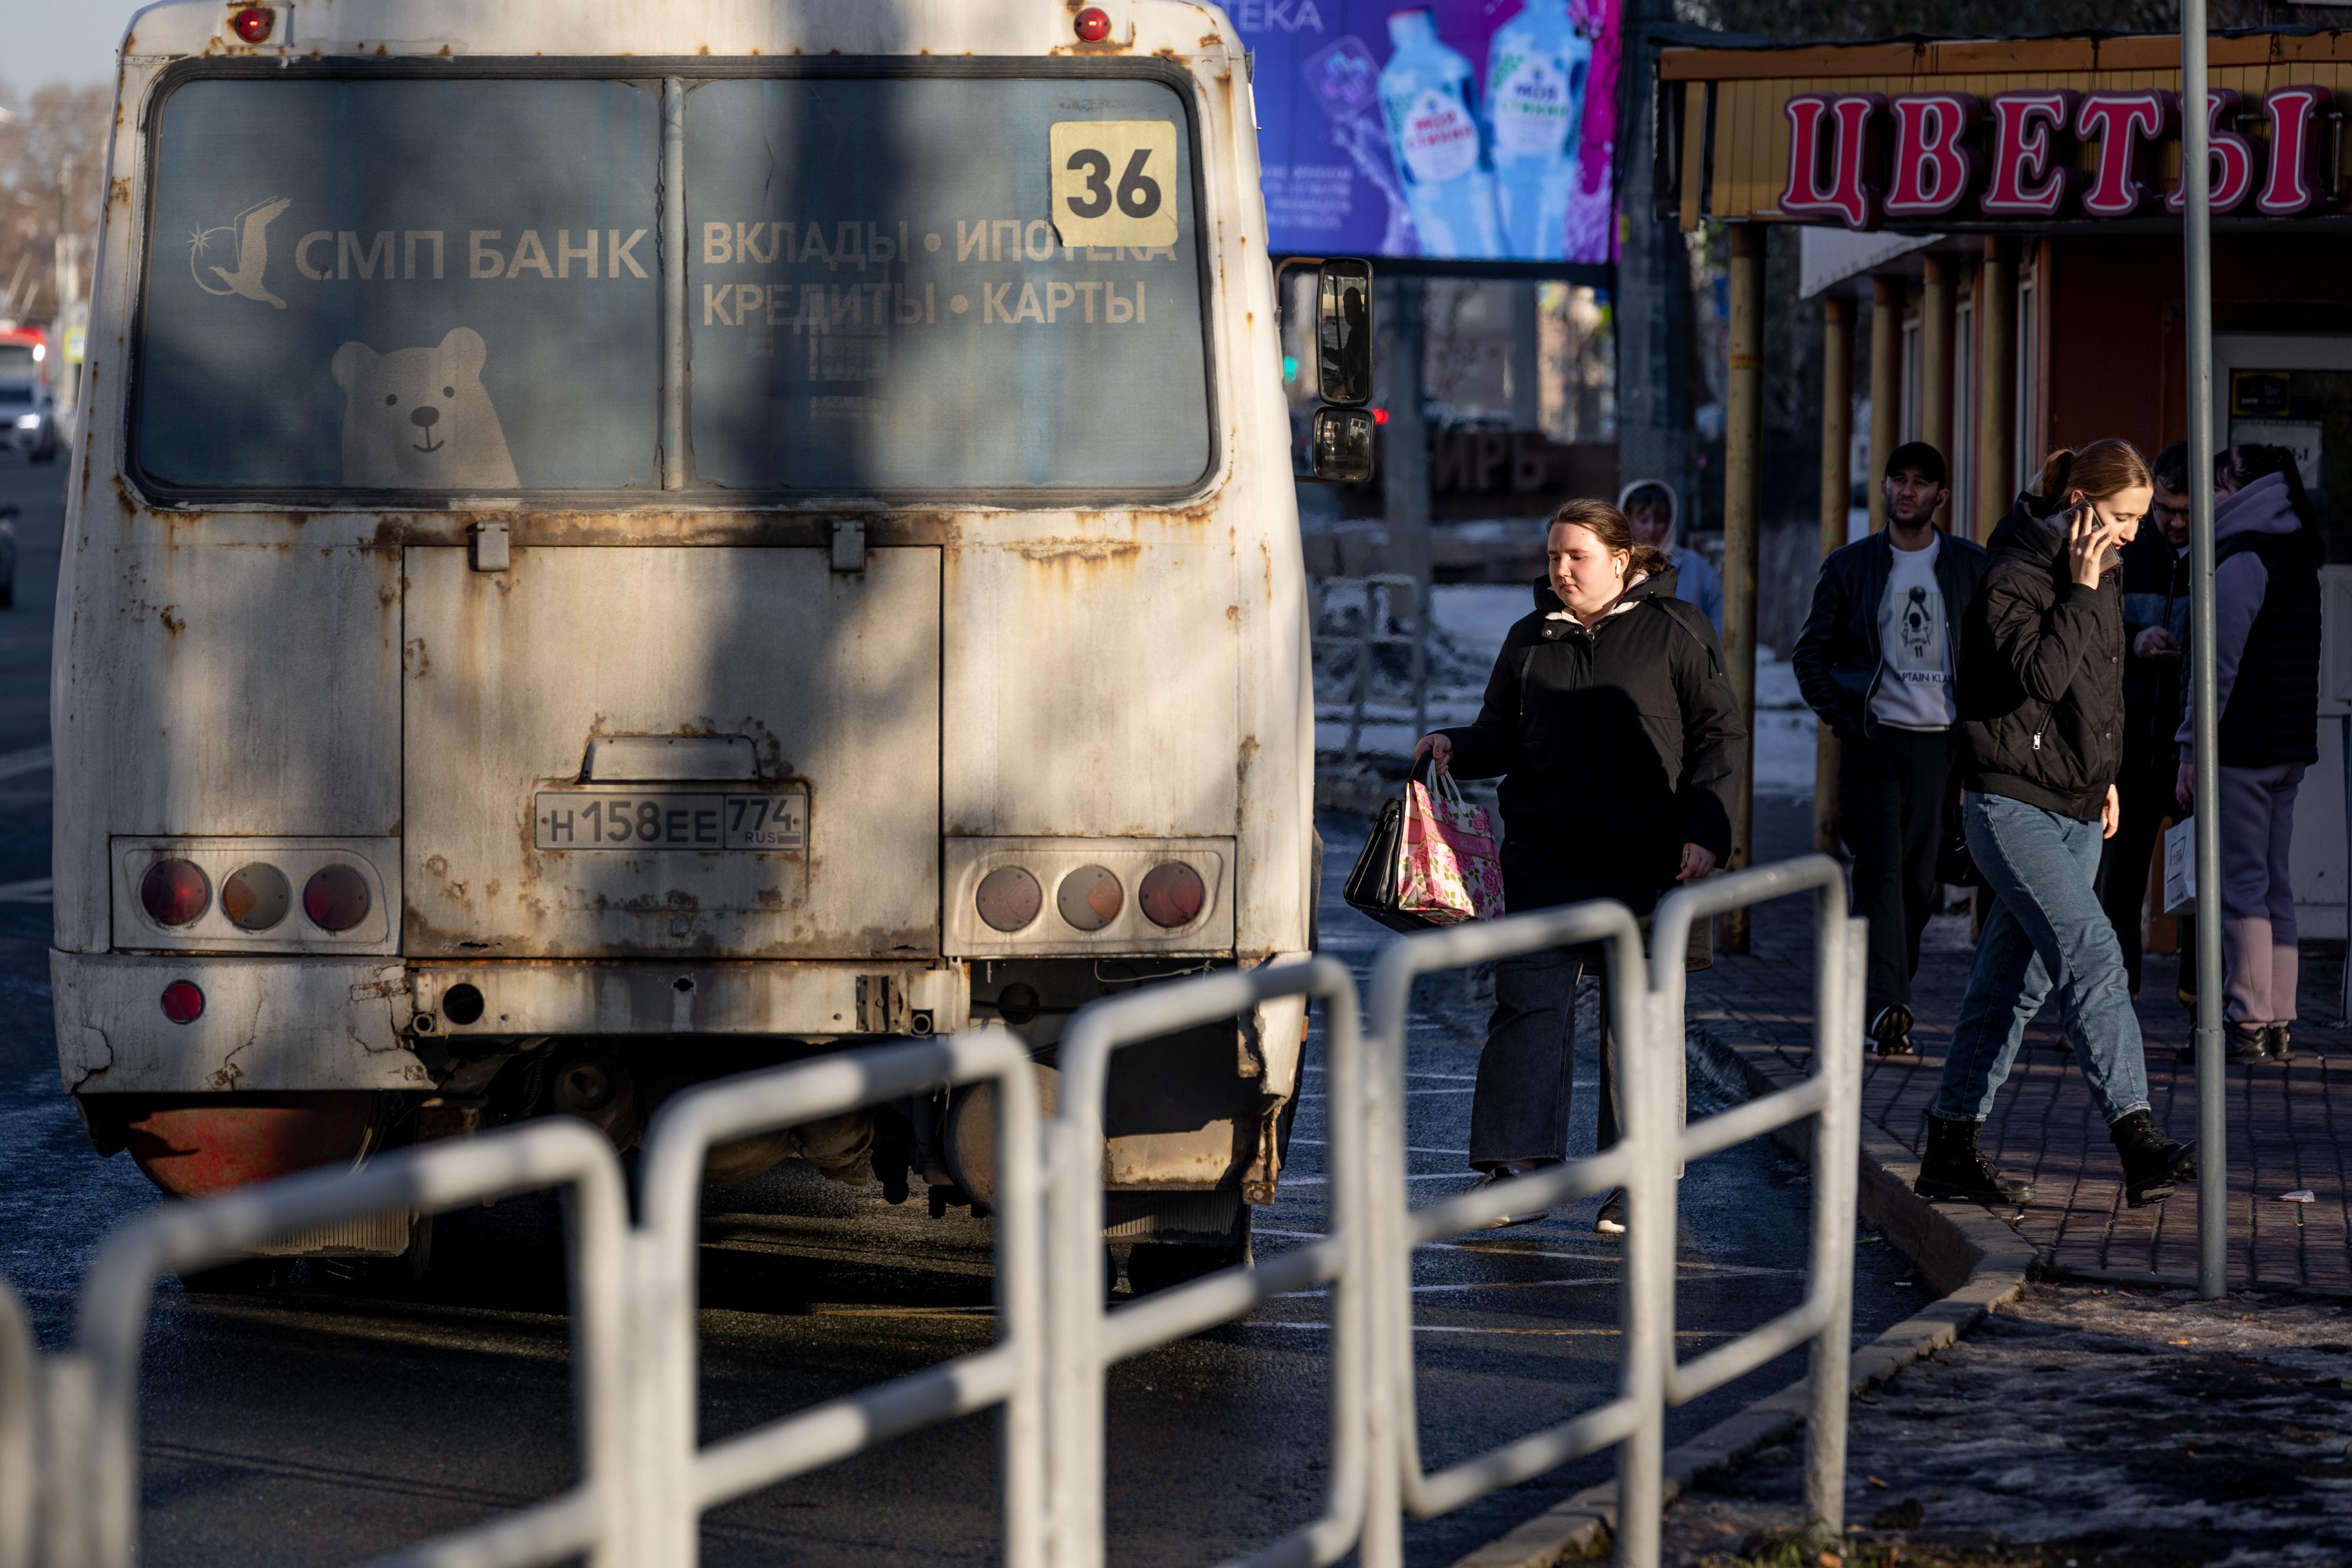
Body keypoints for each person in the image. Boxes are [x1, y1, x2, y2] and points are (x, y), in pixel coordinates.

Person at [1416, 498, 1744, 1233]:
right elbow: (1500, 733)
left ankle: (1637, 1180)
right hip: (1543, 858)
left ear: (1621, 562)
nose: (1561, 571)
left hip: (1650, 866)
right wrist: (1453, 747)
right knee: (1527, 1009)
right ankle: (1515, 1172)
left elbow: (1720, 738)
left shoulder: (1676, 630)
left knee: (1642, 1021)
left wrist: (1707, 830)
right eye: (1555, 556)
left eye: (1578, 557)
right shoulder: (1529, 639)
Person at [1917, 441, 2197, 1210]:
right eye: (2121, 517)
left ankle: (1950, 1142)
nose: (2134, 534)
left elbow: (2097, 686)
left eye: (2140, 519)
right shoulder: (2012, 571)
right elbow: (2038, 677)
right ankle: (2139, 1139)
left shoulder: (2104, 569)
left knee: (2010, 984)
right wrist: (2076, 589)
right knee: (2095, 952)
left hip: (2078, 806)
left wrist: (2104, 776)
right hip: (2011, 805)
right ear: (2077, 501)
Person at [1792, 440, 1987, 1057]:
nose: (1907, 491)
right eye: (1896, 480)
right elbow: (1810, 655)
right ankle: (1887, 1008)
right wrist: (1848, 719)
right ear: (1882, 489)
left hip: (1940, 748)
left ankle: (1885, 995)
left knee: (1918, 885)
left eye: (1920, 482)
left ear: (1941, 496)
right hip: (1873, 744)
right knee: (1877, 873)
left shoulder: (1968, 568)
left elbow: (1987, 655)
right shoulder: (1850, 567)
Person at [2174, 444, 2323, 1064]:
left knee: (2240, 887)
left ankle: (2244, 1020)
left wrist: (2189, 747)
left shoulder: (2241, 562)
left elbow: (2216, 671)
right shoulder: (2296, 557)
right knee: (2274, 886)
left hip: (2240, 749)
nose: (2209, 498)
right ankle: (2278, 1019)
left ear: (2243, 490)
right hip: (2287, 747)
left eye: (2217, 486)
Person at [2097, 441, 2194, 998]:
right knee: (2118, 883)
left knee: (2197, 881)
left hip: (2186, 748)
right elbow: (2094, 631)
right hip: (2130, 747)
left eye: (2186, 512)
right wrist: (2136, 641)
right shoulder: (2128, 552)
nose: (2176, 523)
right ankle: (2115, 995)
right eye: (2166, 511)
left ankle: (2197, 998)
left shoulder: (2217, 553)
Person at [1619, 480, 1724, 634]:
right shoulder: (1613, 566)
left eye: (1660, 519)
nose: (1652, 528)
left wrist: (1702, 654)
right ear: (1626, 520)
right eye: (1643, 520)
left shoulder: (1696, 567)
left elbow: (1720, 619)